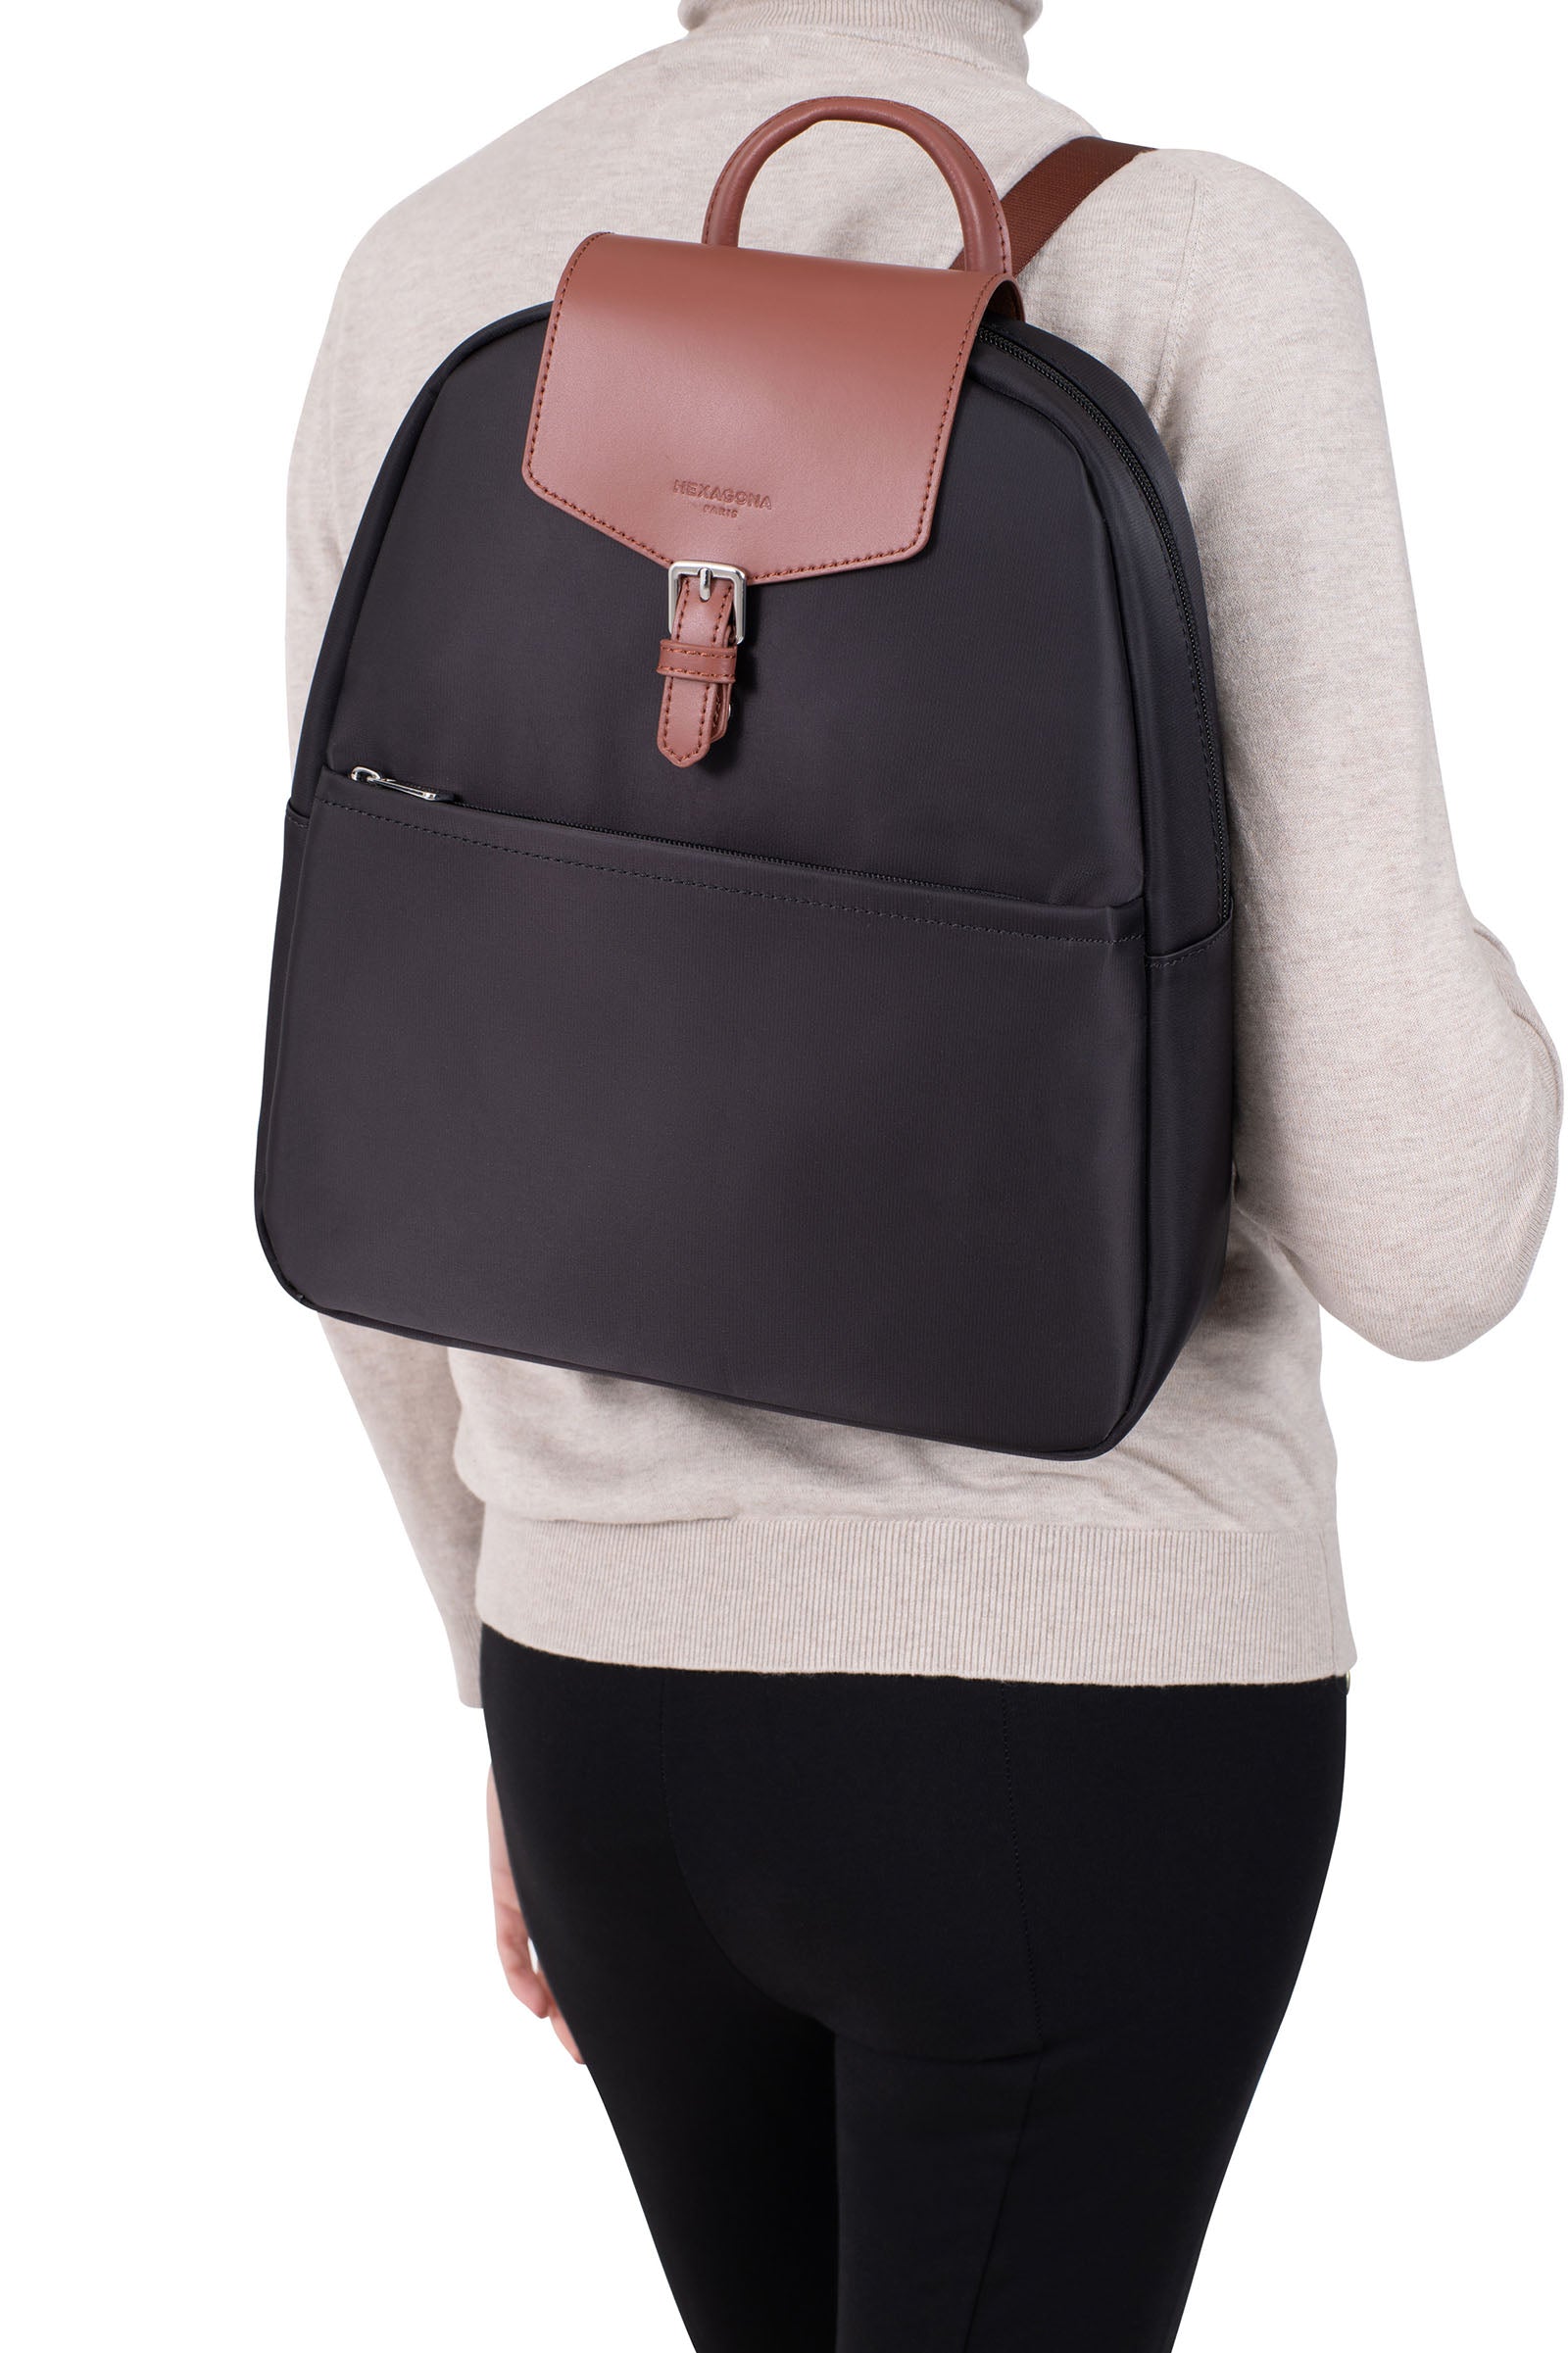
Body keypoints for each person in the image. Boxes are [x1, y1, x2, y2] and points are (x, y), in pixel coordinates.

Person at [285, 4, 1561, 2346]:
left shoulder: (438, 264)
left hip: (602, 1702)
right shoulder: (1203, 263)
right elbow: (1423, 1234)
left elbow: (388, 1063)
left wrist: (496, 1650)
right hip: (1074, 1698)